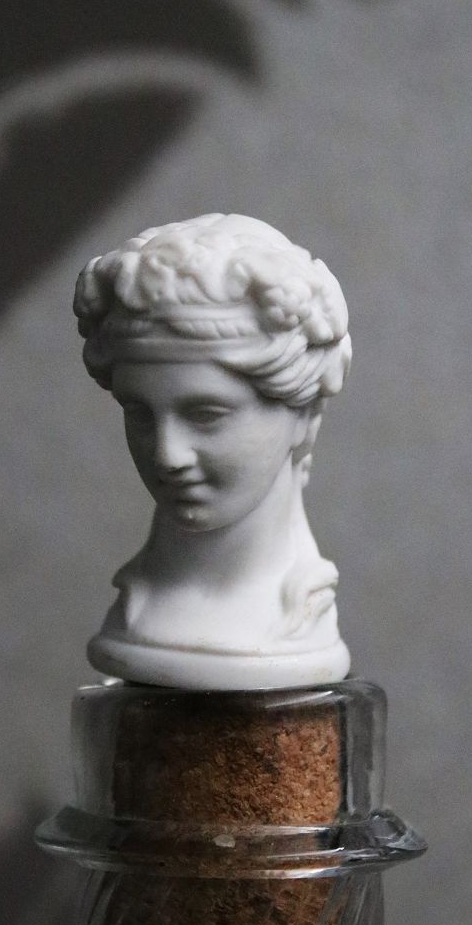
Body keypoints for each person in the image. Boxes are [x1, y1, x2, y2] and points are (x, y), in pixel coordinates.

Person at [74, 213, 352, 689]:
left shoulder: (301, 615)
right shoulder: (136, 607)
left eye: (206, 415)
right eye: (140, 413)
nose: (167, 455)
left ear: (304, 412)